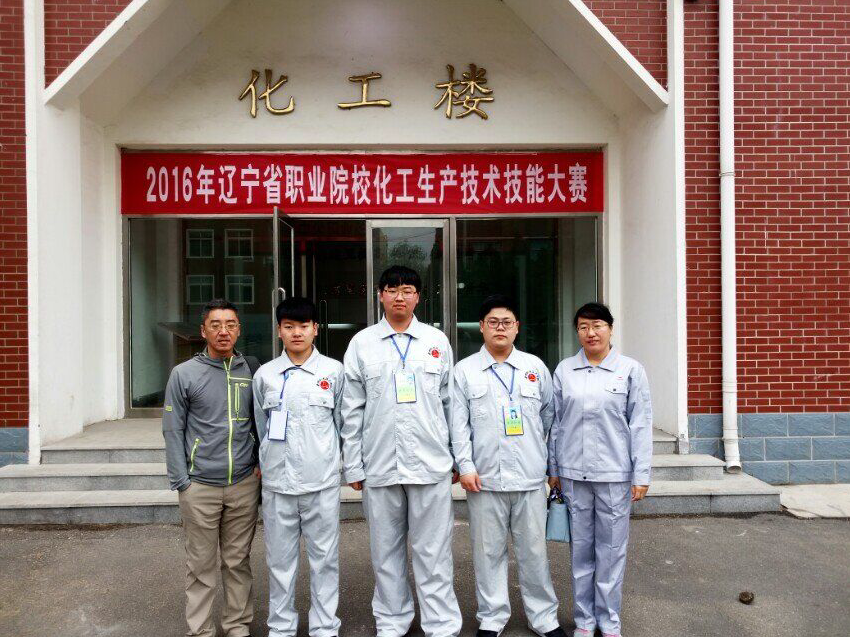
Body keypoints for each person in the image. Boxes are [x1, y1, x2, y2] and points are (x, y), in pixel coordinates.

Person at [341, 265, 462, 637]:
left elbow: (450, 403)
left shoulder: (436, 341)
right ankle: (392, 620)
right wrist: (353, 464)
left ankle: (441, 624)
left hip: (430, 462)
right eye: (392, 289)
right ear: (380, 295)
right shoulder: (362, 344)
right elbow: (351, 408)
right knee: (385, 551)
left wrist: (457, 457)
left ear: (418, 297)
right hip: (380, 463)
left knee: (434, 551)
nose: (399, 296)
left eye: (407, 290)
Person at [452, 295, 565, 637]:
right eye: (493, 322)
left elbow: (549, 417)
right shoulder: (465, 371)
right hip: (484, 479)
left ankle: (544, 617)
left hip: (530, 477)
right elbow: (458, 425)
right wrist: (465, 466)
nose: (499, 328)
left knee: (534, 552)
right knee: (488, 553)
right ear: (481, 327)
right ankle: (492, 617)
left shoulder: (535, 368)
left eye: (506, 322)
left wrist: (548, 464)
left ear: (517, 327)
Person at [548, 302, 653, 637]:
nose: (590, 333)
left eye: (597, 325)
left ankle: (609, 621)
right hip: (573, 474)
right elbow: (555, 424)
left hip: (614, 474)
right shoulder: (565, 370)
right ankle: (584, 620)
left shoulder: (630, 370)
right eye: (583, 327)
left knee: (610, 551)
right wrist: (553, 468)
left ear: (610, 328)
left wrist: (641, 474)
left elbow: (640, 424)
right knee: (580, 550)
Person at [162, 299, 261, 637]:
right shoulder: (184, 374)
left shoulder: (251, 370)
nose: (223, 331)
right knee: (200, 565)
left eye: (230, 324)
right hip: (200, 485)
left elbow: (261, 422)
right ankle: (200, 630)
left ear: (238, 330)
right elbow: (173, 428)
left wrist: (259, 463)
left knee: (238, 562)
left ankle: (237, 625)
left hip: (243, 483)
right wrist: (182, 480)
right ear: (203, 331)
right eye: (215, 325)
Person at [252, 297, 344, 637]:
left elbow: (342, 424)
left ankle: (325, 626)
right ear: (279, 330)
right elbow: (260, 426)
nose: (296, 333)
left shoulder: (333, 371)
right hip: (278, 483)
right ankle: (281, 627)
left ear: (315, 329)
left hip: (321, 482)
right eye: (289, 326)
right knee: (279, 562)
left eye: (304, 326)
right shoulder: (265, 375)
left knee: (325, 560)